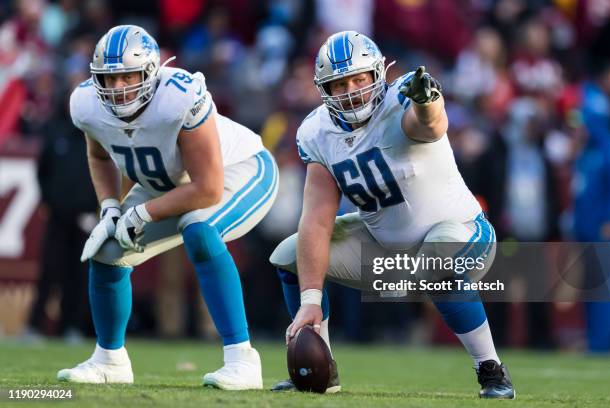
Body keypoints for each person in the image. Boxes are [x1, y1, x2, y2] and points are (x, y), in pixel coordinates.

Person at [269, 31, 515, 399]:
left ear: (378, 74)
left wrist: (428, 102)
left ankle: (492, 370)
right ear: (324, 88)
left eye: (359, 79)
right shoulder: (317, 132)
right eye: (339, 84)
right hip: (386, 252)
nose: (351, 90)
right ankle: (323, 370)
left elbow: (429, 125)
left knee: (439, 255)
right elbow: (317, 218)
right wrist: (310, 301)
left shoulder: (403, 99)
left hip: (463, 235)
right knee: (290, 255)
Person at [57, 25, 279, 390]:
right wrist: (111, 207)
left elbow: (207, 188)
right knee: (109, 251)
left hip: (240, 169)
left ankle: (243, 360)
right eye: (109, 78)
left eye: (128, 75)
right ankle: (109, 359)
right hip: (165, 184)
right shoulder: (86, 104)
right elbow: (98, 155)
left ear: (150, 72)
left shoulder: (179, 97)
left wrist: (142, 213)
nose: (117, 88)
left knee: (200, 229)